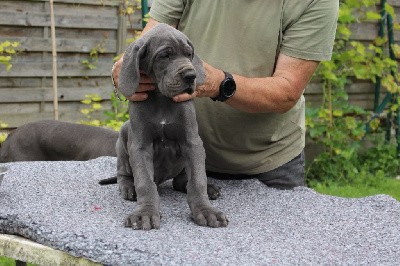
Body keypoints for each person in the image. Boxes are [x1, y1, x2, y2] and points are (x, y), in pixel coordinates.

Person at [112, 0, 339, 189]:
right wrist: (128, 70)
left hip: (268, 166)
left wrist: (219, 84)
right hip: (184, 161)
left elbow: (287, 91)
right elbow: (151, 42)